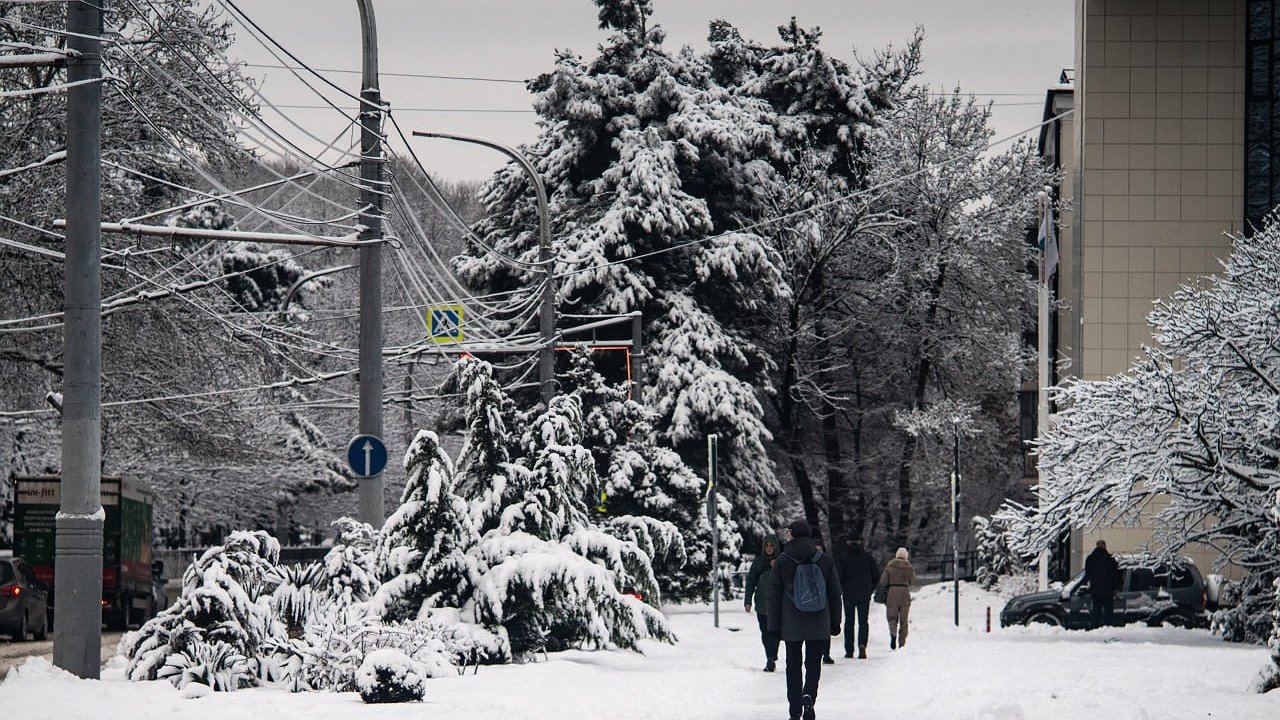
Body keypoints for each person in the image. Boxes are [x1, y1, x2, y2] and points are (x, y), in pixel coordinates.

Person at [768, 520, 842, 720]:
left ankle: (794, 709)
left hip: (791, 623)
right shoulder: (824, 560)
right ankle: (809, 695)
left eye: (788, 532)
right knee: (813, 663)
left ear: (792, 534)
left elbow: (773, 594)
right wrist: (835, 622)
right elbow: (835, 593)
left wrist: (773, 626)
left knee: (793, 665)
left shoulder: (783, 560)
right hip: (819, 621)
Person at [834, 540, 878, 659]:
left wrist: (843, 589)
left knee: (849, 621)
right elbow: (876, 576)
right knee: (863, 621)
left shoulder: (843, 558)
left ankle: (849, 650)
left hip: (849, 594)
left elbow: (839, 576)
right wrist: (870, 589)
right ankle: (862, 644)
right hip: (864, 594)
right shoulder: (868, 558)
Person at [744, 533, 782, 671]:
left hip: (778, 605)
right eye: (767, 546)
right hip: (762, 604)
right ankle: (770, 658)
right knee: (765, 633)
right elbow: (750, 582)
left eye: (772, 546)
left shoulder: (782, 561)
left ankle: (772, 655)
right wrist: (747, 600)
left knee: (775, 632)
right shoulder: (758, 563)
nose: (769, 548)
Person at [878, 547, 915, 650]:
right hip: (904, 593)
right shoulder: (909, 566)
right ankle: (902, 643)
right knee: (904, 620)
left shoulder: (890, 565)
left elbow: (883, 581)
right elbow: (912, 580)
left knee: (892, 617)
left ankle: (893, 633)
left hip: (892, 593)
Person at [1084, 539, 1121, 628]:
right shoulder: (1110, 559)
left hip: (1095, 590)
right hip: (1108, 591)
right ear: (1104, 546)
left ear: (1096, 546)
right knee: (1108, 612)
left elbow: (1087, 574)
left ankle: (1095, 627)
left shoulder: (1090, 559)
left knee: (1096, 611)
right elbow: (1115, 575)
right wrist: (1116, 588)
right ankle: (1108, 627)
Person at [813, 535, 836, 665]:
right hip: (817, 599)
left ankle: (825, 653)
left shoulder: (827, 563)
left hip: (823, 599)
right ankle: (823, 653)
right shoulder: (827, 563)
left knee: (824, 628)